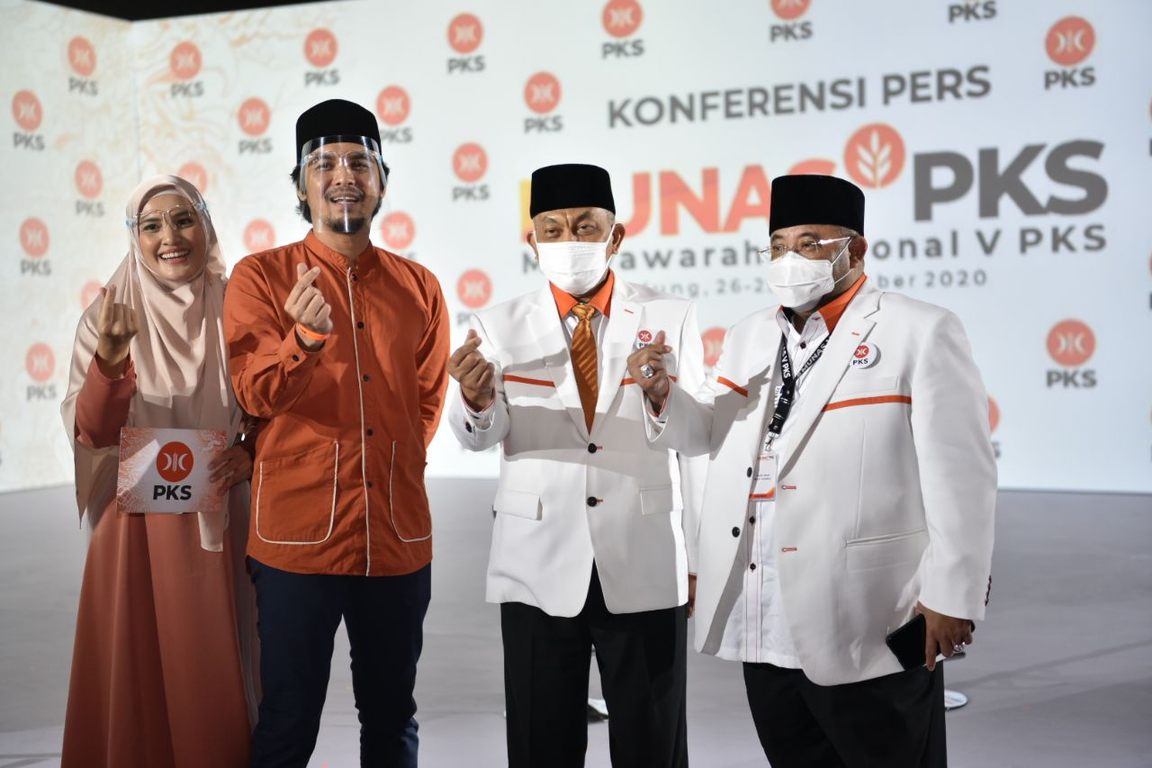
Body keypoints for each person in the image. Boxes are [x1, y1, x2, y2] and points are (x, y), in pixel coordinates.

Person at [627, 174, 996, 767]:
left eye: (809, 243)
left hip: (870, 614)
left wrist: (954, 595)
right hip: (764, 614)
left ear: (856, 249)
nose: (789, 258)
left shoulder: (918, 330)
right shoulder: (751, 335)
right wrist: (660, 393)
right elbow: (710, 435)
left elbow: (962, 478)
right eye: (777, 246)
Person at [447, 163, 705, 768]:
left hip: (644, 556)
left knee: (653, 743)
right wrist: (479, 403)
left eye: (586, 227)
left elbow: (698, 439)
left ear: (616, 238)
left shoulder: (672, 316)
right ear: (532, 240)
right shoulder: (496, 324)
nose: (569, 241)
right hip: (536, 562)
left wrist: (696, 554)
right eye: (553, 228)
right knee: (541, 743)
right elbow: (474, 437)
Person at [223, 98, 450, 768]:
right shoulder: (260, 278)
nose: (342, 174)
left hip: (397, 539)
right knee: (289, 718)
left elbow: (426, 405)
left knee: (392, 716)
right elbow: (254, 392)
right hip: (297, 543)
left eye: (359, 161)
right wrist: (305, 338)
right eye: (322, 163)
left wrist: (394, 467)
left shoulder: (421, 287)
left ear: (382, 180)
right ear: (299, 185)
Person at [59, 174, 260, 768]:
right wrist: (111, 361)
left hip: (224, 515)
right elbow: (92, 434)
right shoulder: (109, 314)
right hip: (136, 534)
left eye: (183, 219)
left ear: (206, 225)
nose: (169, 237)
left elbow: (272, 407)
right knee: (139, 676)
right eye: (150, 226)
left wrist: (255, 451)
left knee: (219, 670)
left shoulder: (238, 304)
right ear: (133, 238)